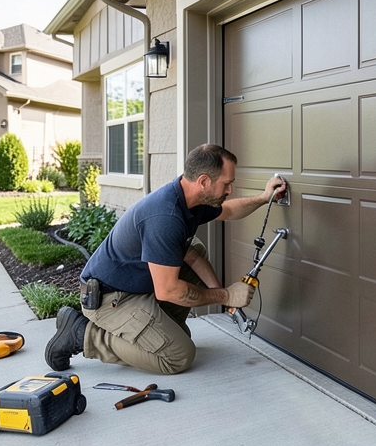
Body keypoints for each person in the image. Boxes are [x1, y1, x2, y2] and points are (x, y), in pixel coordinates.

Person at [45, 143, 286, 375]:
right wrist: (226, 295)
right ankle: (82, 333)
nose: (229, 190)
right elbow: (168, 291)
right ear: (204, 181)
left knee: (195, 251)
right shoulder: (166, 217)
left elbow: (229, 211)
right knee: (177, 355)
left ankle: (159, 331)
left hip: (136, 289)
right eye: (227, 184)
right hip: (109, 300)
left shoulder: (191, 201)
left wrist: (265, 197)